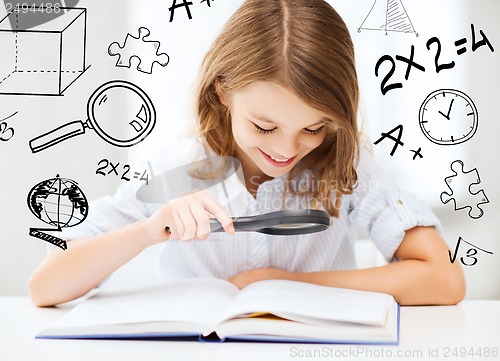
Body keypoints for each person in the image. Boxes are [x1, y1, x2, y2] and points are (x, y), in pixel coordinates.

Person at [28, 0, 465, 307]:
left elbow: (445, 278)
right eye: (264, 126)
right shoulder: (176, 167)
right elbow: (45, 287)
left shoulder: (347, 167)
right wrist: (148, 230)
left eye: (313, 128)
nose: (285, 149)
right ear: (223, 90)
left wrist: (291, 285)